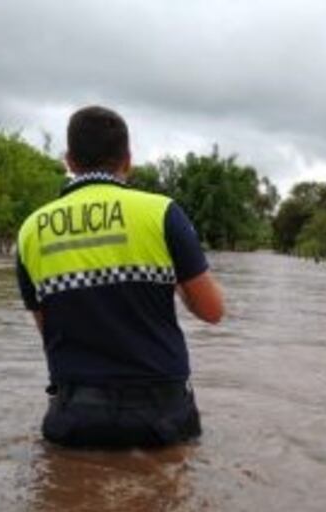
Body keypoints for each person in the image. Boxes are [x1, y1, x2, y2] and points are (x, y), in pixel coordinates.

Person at [16, 105, 224, 449]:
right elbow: (212, 311)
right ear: (127, 160)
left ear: (68, 160)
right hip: (162, 415)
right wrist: (174, 280)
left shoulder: (30, 230)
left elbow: (48, 328)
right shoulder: (162, 213)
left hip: (75, 415)